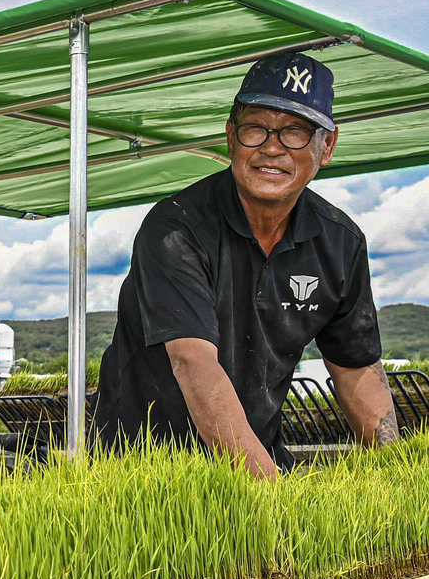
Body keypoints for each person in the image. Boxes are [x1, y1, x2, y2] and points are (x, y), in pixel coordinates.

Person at [94, 52, 397, 477]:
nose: (272, 148)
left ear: (326, 146)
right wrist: (270, 490)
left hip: (257, 453)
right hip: (145, 469)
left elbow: (356, 367)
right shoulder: (177, 228)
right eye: (256, 129)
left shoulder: (339, 242)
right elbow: (193, 362)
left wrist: (395, 472)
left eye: (295, 132)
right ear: (231, 137)